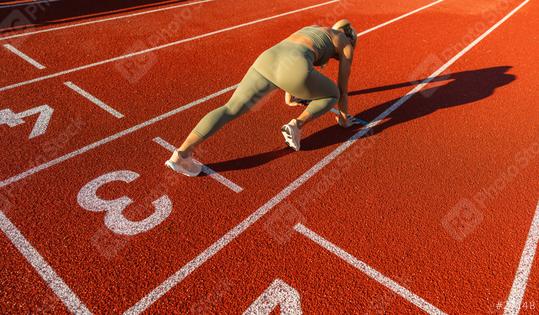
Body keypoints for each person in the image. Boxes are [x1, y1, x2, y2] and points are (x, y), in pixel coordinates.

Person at [166, 19, 358, 176]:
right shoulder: (346, 44)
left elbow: (291, 56)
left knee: (229, 108)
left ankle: (181, 154)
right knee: (333, 93)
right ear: (350, 38)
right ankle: (297, 125)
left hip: (267, 59)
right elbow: (342, 85)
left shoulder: (314, 29)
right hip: (294, 69)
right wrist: (343, 118)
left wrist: (290, 97)